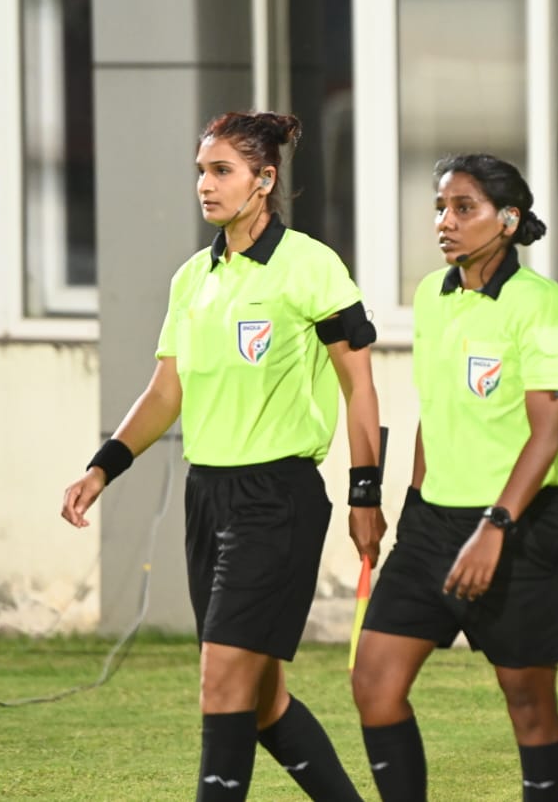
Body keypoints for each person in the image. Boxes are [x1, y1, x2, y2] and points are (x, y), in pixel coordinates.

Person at [61, 110, 385, 802]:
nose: (205, 185)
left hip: (278, 498)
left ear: (264, 180)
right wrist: (102, 466)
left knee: (220, 680)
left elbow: (359, 385)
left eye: (221, 171)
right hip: (207, 497)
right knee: (262, 700)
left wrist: (366, 492)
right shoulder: (193, 279)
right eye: (201, 171)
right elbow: (164, 391)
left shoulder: (311, 266)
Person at [351, 153, 558, 802]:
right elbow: (435, 409)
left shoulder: (541, 304)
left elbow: (546, 433)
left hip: (521, 526)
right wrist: (412, 505)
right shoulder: (432, 293)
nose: (444, 222)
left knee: (527, 699)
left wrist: (494, 527)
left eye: (463, 208)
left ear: (507, 220)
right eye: (439, 208)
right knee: (374, 683)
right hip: (432, 523)